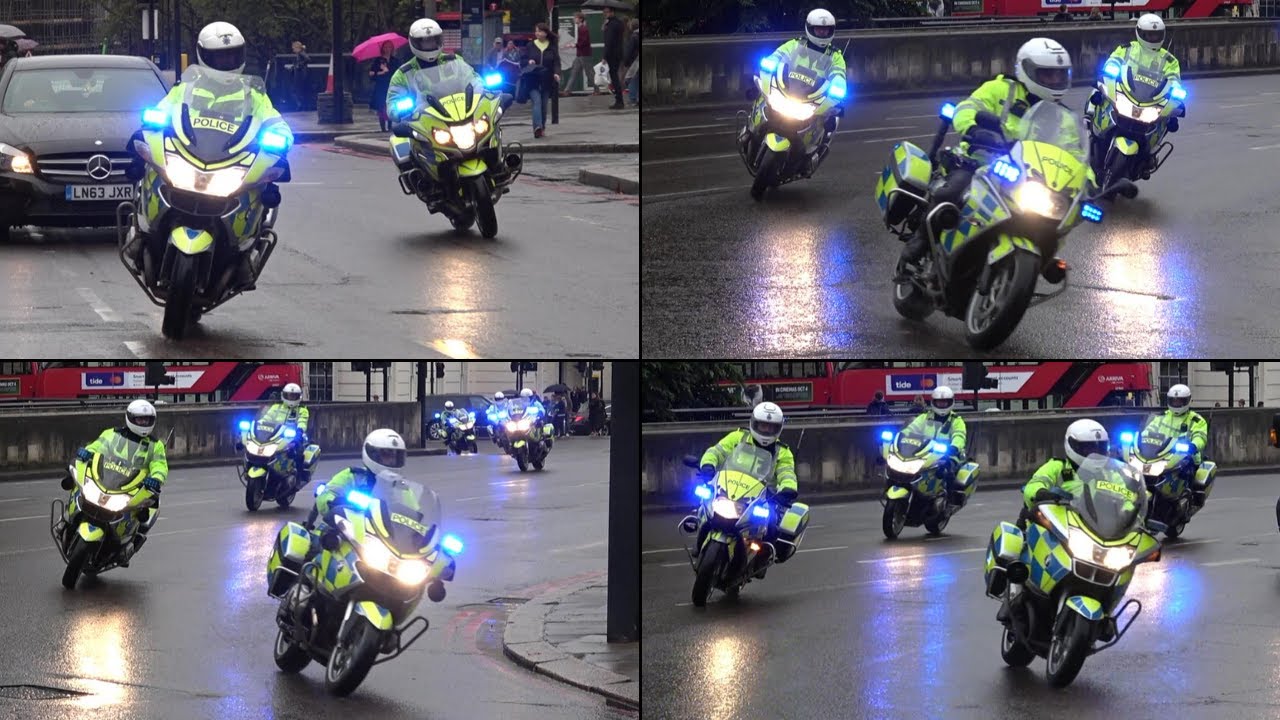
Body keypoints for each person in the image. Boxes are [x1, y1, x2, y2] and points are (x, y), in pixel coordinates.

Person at [896, 37, 1072, 279]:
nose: (1054, 81)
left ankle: (1035, 260)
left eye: (1059, 75)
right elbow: (968, 107)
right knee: (950, 195)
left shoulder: (1062, 116)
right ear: (1028, 71)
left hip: (1025, 177)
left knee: (1053, 217)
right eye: (1047, 75)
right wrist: (973, 128)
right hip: (979, 161)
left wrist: (1089, 182)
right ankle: (918, 245)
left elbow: (1073, 152)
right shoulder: (1001, 89)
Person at [139, 21, 292, 291]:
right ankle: (142, 235)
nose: (226, 62)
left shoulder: (253, 95)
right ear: (204, 56)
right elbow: (161, 111)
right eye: (220, 56)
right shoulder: (185, 90)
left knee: (260, 190)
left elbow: (275, 122)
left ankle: (245, 253)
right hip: (189, 156)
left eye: (232, 55)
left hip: (229, 162)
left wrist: (280, 138)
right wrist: (152, 122)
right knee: (150, 169)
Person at [741, 9, 846, 178]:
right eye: (819, 29)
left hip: (812, 99)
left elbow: (839, 74)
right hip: (788, 91)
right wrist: (770, 63)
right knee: (761, 93)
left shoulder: (835, 56)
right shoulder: (796, 45)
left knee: (830, 120)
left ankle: (812, 155)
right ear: (810, 28)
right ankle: (749, 131)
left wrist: (839, 86)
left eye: (826, 30)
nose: (822, 33)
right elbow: (779, 55)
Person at [695, 402, 798, 570]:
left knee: (771, 524)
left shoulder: (783, 452)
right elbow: (716, 451)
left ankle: (761, 560)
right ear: (754, 423)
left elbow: (787, 474)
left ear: (778, 428)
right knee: (704, 500)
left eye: (771, 427)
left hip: (763, 497)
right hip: (729, 488)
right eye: (762, 425)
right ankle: (700, 532)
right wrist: (708, 465)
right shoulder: (738, 438)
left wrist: (788, 489)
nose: (766, 430)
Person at [67, 400, 168, 567]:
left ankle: (125, 548)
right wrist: (87, 452)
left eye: (147, 420)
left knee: (142, 516)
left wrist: (156, 479)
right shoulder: (112, 434)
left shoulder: (155, 446)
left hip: (133, 488)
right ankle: (69, 518)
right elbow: (98, 446)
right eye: (140, 419)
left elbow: (159, 465)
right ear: (130, 418)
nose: (143, 423)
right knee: (77, 482)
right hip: (107, 479)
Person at [1085, 14, 1183, 139]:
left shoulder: (1169, 60)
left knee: (1167, 118)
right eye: (1149, 34)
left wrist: (1176, 92)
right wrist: (1110, 69)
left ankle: (1150, 152)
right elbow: (1114, 60)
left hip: (1151, 100)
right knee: (1099, 87)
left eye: (1156, 34)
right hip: (1125, 92)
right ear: (1140, 33)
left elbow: (1174, 79)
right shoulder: (1127, 49)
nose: (1153, 38)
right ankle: (1088, 119)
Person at [307, 428, 407, 531]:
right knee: (323, 541)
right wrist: (335, 502)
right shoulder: (353, 475)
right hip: (347, 530)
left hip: (383, 536)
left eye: (395, 456)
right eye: (386, 455)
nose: (391, 461)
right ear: (372, 454)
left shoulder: (401, 486)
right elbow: (325, 495)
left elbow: (414, 512)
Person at [1020, 419, 1109, 518]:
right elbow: (1034, 484)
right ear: (1072, 445)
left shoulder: (1109, 473)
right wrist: (1040, 493)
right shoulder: (1058, 466)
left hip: (1098, 526)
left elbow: (1127, 495)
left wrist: (1127, 510)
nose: (1095, 453)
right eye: (1088, 448)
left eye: (1100, 448)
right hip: (1059, 523)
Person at [1139, 384, 1211, 507]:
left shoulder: (1196, 420)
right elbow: (1148, 431)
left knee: (1184, 472)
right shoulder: (1161, 417)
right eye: (1174, 400)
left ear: (1187, 401)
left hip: (1185, 456)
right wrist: (1141, 439)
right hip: (1162, 454)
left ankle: (1184, 500)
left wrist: (1193, 445)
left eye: (1179, 401)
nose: (1176, 403)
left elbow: (1200, 437)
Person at [897, 387, 968, 506]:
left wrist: (954, 447)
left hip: (948, 454)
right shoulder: (925, 417)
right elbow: (912, 428)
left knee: (947, 471)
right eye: (939, 402)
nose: (942, 404)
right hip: (925, 452)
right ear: (933, 402)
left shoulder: (956, 420)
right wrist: (902, 435)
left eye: (944, 402)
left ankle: (949, 502)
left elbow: (959, 435)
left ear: (950, 402)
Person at [263, 382, 312, 487]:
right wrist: (261, 424)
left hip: (294, 436)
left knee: (298, 451)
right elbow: (266, 418)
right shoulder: (276, 407)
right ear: (284, 395)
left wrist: (299, 432)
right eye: (289, 395)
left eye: (294, 396)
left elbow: (302, 422)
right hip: (276, 435)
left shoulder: (302, 410)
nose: (291, 398)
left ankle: (299, 476)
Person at [521, 22, 561, 138]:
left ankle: (542, 127)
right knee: (537, 102)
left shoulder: (552, 47)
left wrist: (557, 74)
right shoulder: (530, 46)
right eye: (536, 31)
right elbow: (522, 60)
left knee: (544, 105)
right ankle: (537, 127)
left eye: (539, 31)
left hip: (546, 80)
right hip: (533, 80)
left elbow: (556, 63)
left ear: (545, 33)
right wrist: (528, 62)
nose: (536, 33)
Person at [368, 40, 395, 132]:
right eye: (386, 47)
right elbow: (372, 73)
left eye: (390, 47)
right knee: (381, 107)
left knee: (391, 105)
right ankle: (383, 128)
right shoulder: (378, 60)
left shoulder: (394, 60)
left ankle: (390, 126)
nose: (388, 49)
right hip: (381, 87)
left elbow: (398, 72)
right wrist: (382, 72)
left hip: (391, 85)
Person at [602, 5, 625, 109]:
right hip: (618, 53)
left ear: (612, 12)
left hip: (612, 54)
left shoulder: (611, 24)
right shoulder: (618, 23)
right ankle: (619, 99)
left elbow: (609, 41)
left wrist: (604, 56)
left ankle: (619, 101)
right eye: (604, 12)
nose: (605, 14)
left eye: (606, 12)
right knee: (614, 75)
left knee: (614, 76)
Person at [564, 12, 593, 95]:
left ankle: (597, 89)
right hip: (580, 54)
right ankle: (567, 90)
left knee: (589, 73)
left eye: (575, 18)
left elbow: (584, 42)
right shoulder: (580, 28)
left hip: (584, 54)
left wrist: (574, 45)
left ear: (580, 19)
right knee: (574, 72)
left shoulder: (583, 29)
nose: (574, 19)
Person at [623, 18, 640, 108]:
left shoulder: (633, 37)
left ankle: (633, 99)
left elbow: (629, 51)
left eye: (630, 25)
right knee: (637, 79)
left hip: (634, 62)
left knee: (631, 80)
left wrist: (626, 62)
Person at [289, 40, 310, 111]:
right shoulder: (300, 54)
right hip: (300, 74)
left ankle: (300, 105)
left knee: (296, 90)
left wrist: (299, 65)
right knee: (298, 90)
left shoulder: (301, 53)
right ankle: (301, 105)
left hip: (300, 75)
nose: (293, 49)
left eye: (294, 48)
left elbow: (308, 59)